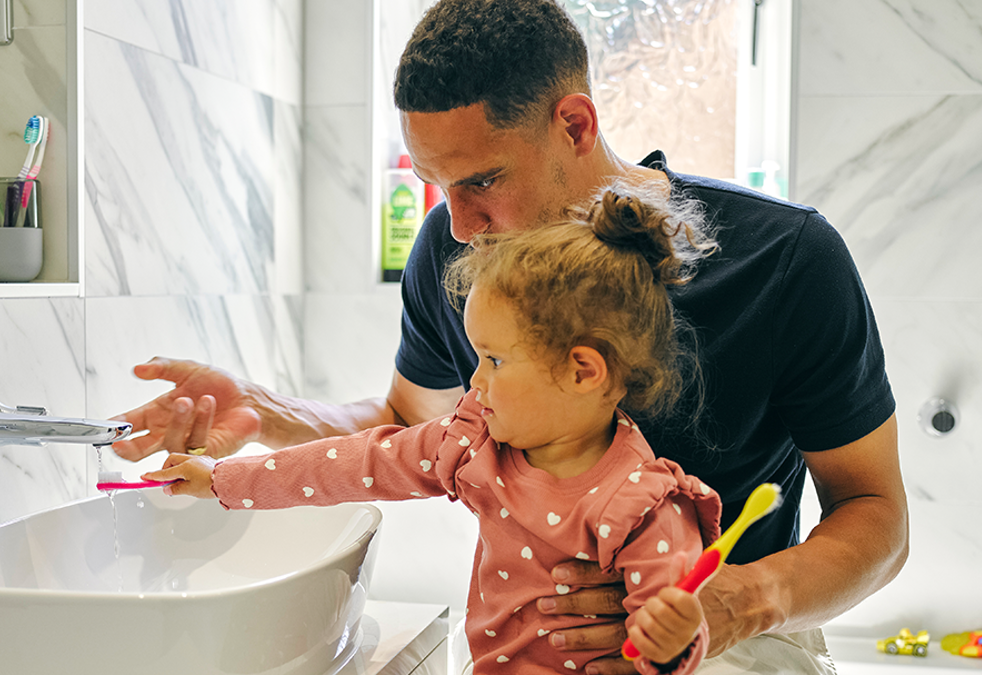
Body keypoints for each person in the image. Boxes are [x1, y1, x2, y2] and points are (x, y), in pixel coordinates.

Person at [113, 0, 908, 672]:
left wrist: (736, 601)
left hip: (734, 636)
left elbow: (877, 513)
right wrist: (262, 408)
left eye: (482, 180)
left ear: (575, 123)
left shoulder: (786, 259)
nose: (458, 223)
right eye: (438, 185)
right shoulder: (452, 249)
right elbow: (409, 427)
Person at [144, 186, 723, 674]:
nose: (474, 381)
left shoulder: (643, 508)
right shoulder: (474, 444)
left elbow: (667, 644)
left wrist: (671, 640)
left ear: (582, 371)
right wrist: (222, 478)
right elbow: (351, 465)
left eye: (493, 360)